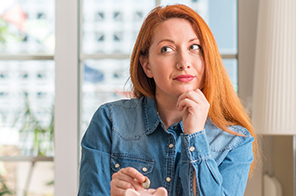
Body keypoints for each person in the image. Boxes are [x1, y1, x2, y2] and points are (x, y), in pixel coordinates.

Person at [78, 4, 258, 196]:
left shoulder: (235, 140)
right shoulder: (109, 122)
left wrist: (195, 136)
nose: (183, 63)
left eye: (194, 47)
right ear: (147, 66)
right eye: (167, 49)